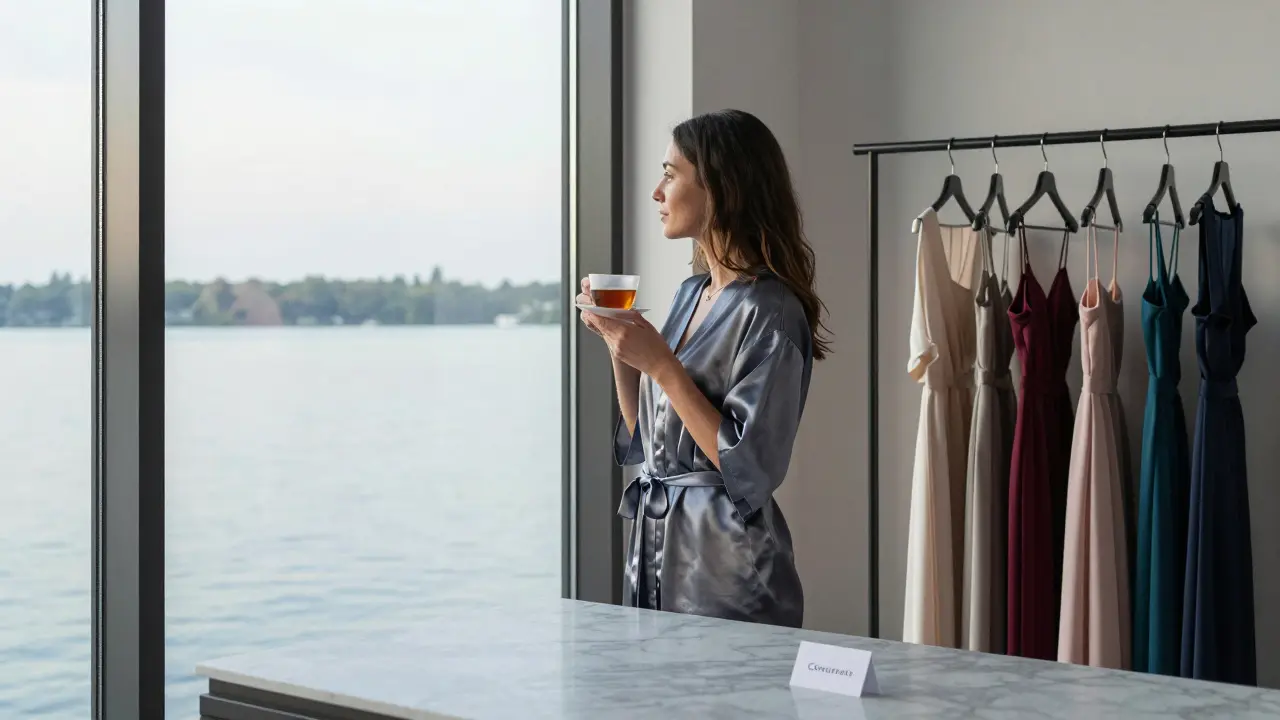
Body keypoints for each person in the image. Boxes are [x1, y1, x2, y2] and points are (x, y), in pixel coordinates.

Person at [578, 109, 831, 627]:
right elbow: (645, 440)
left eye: (670, 174)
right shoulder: (690, 294)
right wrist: (619, 345)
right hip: (655, 549)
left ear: (720, 186)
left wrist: (663, 366)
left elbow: (750, 465)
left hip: (725, 564)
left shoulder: (772, 312)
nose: (657, 192)